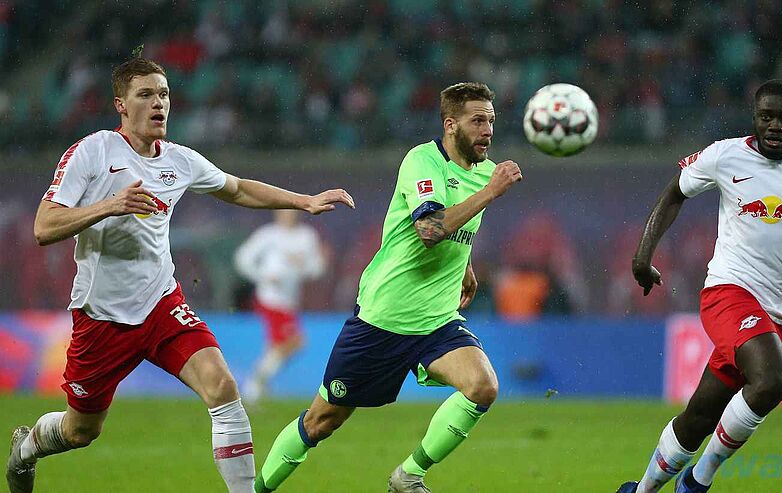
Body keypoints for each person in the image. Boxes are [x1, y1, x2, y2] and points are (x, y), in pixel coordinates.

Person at [5, 51, 354, 493]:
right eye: (145, 95)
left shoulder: (180, 160)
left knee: (222, 386)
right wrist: (110, 205)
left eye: (164, 94)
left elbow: (238, 189)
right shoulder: (92, 152)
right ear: (120, 104)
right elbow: (44, 226)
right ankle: (27, 448)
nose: (159, 103)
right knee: (80, 431)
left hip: (161, 304)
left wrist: (303, 201)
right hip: (102, 317)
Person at [254, 82, 523, 493]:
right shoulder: (423, 161)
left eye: (491, 120)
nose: (487, 130)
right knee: (321, 421)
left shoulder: (485, 171)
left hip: (436, 319)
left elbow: (458, 227)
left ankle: (408, 475)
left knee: (482, 385)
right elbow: (429, 229)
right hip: (384, 318)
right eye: (477, 121)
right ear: (451, 125)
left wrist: (465, 265)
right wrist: (490, 193)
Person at [617, 79, 782, 493]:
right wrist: (642, 255)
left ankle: (642, 490)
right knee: (772, 381)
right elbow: (674, 192)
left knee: (700, 416)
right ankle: (698, 480)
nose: (775, 125)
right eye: (766, 116)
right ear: (754, 117)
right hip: (729, 292)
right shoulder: (725, 155)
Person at [234, 209, 326, 404]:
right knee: (295, 341)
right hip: (270, 298)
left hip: (290, 300)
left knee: (277, 346)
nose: (287, 215)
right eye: (284, 210)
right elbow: (243, 258)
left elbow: (317, 268)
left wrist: (302, 266)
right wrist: (263, 276)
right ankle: (255, 382)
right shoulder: (268, 235)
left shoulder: (306, 236)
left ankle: (255, 390)